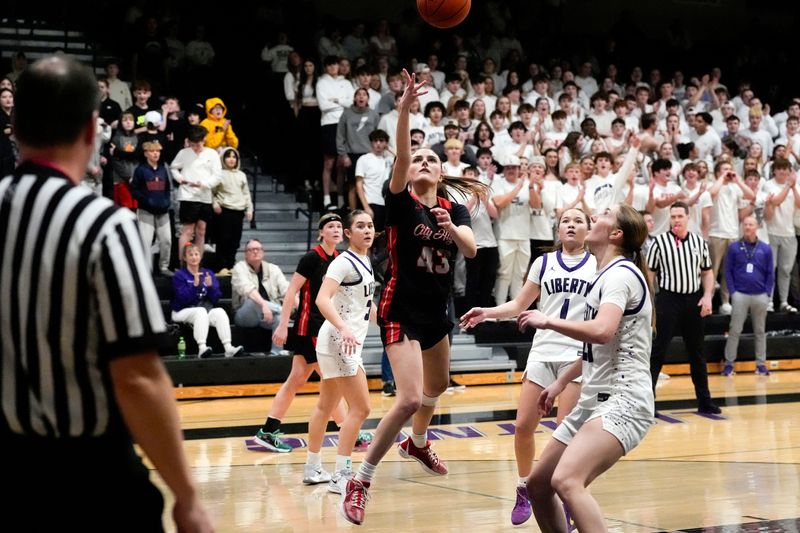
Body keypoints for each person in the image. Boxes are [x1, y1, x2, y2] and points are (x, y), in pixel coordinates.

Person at [2, 55, 213, 531]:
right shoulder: (102, 223)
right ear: (91, 129)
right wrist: (186, 496)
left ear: (14, 125)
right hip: (86, 474)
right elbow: (137, 376)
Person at [341, 69, 484, 526]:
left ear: (441, 174)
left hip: (436, 313)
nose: (423, 161)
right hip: (399, 307)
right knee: (407, 398)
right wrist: (403, 110)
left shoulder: (451, 207)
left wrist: (451, 227)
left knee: (436, 389)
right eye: (419, 157)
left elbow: (472, 248)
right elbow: (401, 156)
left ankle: (417, 443)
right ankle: (360, 480)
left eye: (431, 159)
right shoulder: (402, 201)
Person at [523, 204, 655, 533]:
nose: (594, 216)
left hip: (625, 399)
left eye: (604, 215)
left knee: (567, 480)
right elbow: (596, 346)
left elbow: (602, 331)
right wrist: (560, 382)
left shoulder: (621, 275)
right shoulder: (602, 275)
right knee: (538, 486)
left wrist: (548, 319)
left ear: (615, 233)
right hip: (594, 399)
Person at [460, 208, 595, 526]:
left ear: (588, 230)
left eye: (578, 221)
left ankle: (566, 494)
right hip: (543, 350)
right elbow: (519, 305)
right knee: (523, 425)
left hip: (575, 353)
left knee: (565, 432)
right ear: (557, 229)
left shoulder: (598, 265)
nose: (571, 225)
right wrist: (487, 312)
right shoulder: (543, 262)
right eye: (565, 220)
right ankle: (524, 486)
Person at [251, 214, 348, 452]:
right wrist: (283, 325)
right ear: (321, 233)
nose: (336, 229)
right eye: (330, 226)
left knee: (296, 380)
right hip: (309, 328)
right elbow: (291, 291)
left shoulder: (338, 259)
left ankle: (268, 430)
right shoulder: (312, 257)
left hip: (324, 328)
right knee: (332, 380)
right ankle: (348, 430)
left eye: (339, 226)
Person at [304, 210, 376, 492]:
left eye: (370, 226)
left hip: (337, 342)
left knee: (325, 406)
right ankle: (341, 475)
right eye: (360, 226)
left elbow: (361, 305)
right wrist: (344, 327)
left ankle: (312, 467)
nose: (367, 230)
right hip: (339, 342)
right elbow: (322, 299)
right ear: (348, 233)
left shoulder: (366, 260)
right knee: (361, 408)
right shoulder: (343, 262)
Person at [647, 201, 722, 414]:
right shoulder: (659, 243)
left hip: (693, 300)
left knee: (697, 353)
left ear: (688, 218)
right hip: (668, 300)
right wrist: (651, 303)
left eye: (680, 216)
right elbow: (650, 275)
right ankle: (648, 402)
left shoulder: (699, 242)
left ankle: (705, 401)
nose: (676, 220)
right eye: (673, 217)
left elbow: (707, 272)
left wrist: (707, 296)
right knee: (658, 352)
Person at [171, 243, 244, 359]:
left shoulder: (208, 273)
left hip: (203, 312)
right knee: (200, 311)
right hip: (181, 311)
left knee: (219, 311)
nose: (194, 257)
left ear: (200, 257)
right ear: (185, 258)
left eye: (196, 254)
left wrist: (210, 287)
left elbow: (216, 298)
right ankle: (202, 348)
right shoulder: (180, 275)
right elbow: (182, 299)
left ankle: (228, 347)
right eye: (190, 255)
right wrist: (194, 285)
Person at [722, 216, 774, 376]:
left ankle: (761, 365)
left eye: (751, 224)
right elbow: (727, 271)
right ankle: (729, 364)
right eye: (745, 224)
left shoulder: (765, 248)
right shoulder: (734, 248)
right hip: (740, 295)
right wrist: (733, 292)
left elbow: (770, 272)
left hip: (760, 296)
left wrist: (767, 293)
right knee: (735, 330)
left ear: (756, 226)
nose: (748, 227)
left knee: (760, 331)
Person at [231, 239, 289, 355]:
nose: (255, 252)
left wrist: (300, 305)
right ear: (246, 254)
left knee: (279, 319)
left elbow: (287, 290)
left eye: (258, 249)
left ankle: (276, 352)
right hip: (244, 315)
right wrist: (264, 304)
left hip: (266, 315)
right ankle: (282, 310)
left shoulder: (273, 269)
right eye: (251, 250)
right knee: (253, 301)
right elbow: (247, 289)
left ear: (263, 252)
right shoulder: (239, 267)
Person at [170, 125, 222, 252]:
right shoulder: (184, 153)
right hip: (188, 195)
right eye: (192, 144)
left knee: (201, 230)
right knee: (187, 230)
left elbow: (218, 176)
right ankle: (183, 265)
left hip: (204, 196)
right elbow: (173, 168)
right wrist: (180, 178)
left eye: (197, 144)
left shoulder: (212, 153)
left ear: (204, 140)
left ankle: (198, 264)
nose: (194, 147)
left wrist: (203, 183)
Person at [130, 140, 173, 276]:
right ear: (146, 153)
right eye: (152, 151)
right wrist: (146, 201)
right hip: (146, 211)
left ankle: (164, 267)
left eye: (158, 151)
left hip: (163, 211)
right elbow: (134, 189)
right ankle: (145, 269)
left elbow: (167, 189)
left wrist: (166, 202)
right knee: (145, 241)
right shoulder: (140, 170)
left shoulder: (163, 169)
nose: (156, 153)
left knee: (166, 240)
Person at [212, 147, 253, 273]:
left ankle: (231, 265)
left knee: (235, 241)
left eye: (234, 157)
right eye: (228, 156)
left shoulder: (241, 175)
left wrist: (249, 209)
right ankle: (221, 266)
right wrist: (215, 204)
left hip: (238, 211)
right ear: (223, 159)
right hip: (224, 211)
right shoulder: (219, 174)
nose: (231, 159)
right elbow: (211, 192)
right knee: (223, 239)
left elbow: (246, 194)